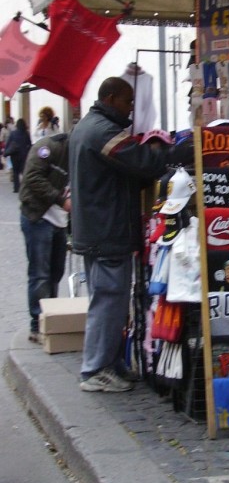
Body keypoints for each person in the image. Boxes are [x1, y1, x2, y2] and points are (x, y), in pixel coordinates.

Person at [69, 77, 193, 393]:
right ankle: (95, 369)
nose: (131, 108)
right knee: (109, 300)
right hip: (107, 229)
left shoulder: (88, 127)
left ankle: (107, 362)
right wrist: (164, 149)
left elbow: (118, 174)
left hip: (98, 227)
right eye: (127, 102)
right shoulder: (103, 132)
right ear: (111, 98)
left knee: (108, 298)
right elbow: (141, 162)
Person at [19, 133, 71, 342]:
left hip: (60, 221)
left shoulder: (78, 154)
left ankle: (49, 320)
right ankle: (37, 325)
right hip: (38, 217)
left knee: (55, 273)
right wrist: (60, 200)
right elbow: (32, 177)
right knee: (40, 273)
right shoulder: (50, 147)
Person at [4, 118, 32, 191]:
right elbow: (29, 144)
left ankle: (16, 187)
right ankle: (25, 186)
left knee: (15, 171)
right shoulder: (26, 133)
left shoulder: (13, 133)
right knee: (23, 171)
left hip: (14, 155)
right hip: (23, 155)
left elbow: (8, 143)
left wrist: (6, 152)